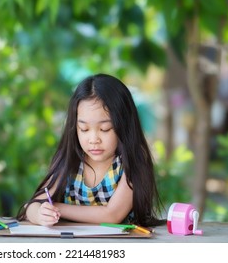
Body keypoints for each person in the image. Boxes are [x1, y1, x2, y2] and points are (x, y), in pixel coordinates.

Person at [17, 73, 164, 227]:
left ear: (123, 125)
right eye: (84, 129)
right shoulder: (71, 158)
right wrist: (40, 214)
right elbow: (32, 206)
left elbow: (112, 215)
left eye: (105, 129)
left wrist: (58, 208)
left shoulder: (132, 158)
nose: (94, 139)